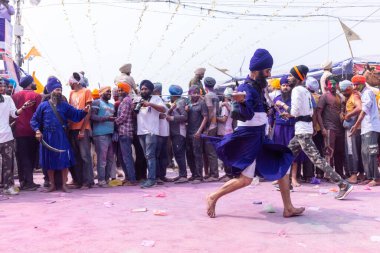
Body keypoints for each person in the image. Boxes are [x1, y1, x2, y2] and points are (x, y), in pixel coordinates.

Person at [206, 49, 302, 218]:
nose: (269, 74)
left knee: (282, 166)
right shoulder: (247, 89)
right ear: (257, 71)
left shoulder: (257, 87)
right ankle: (213, 197)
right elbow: (247, 114)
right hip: (250, 138)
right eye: (267, 71)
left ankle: (288, 208)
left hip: (260, 136)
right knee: (246, 180)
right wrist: (241, 103)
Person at [284, 65, 353, 200]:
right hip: (304, 129)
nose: (289, 78)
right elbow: (311, 111)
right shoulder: (305, 91)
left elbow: (295, 112)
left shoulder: (297, 90)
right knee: (287, 155)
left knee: (317, 160)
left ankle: (343, 184)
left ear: (297, 77)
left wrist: (284, 107)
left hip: (302, 130)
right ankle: (284, 182)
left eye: (291, 75)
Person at [30, 77, 89, 193]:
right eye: (57, 89)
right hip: (47, 137)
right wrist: (37, 130)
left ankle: (64, 185)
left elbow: (76, 115)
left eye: (60, 89)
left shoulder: (64, 105)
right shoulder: (43, 105)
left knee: (64, 160)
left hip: (61, 136)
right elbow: (34, 120)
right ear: (51, 90)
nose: (59, 92)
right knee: (49, 162)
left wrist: (84, 111)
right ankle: (52, 185)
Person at [0, 79, 34, 195]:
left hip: (7, 137)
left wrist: (23, 107)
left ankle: (8, 186)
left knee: (8, 164)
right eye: (1, 86)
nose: (3, 88)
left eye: (4, 86)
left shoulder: (8, 99)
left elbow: (14, 114)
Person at [12, 75, 42, 191]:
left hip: (18, 131)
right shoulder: (36, 96)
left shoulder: (15, 96)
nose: (35, 83)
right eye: (33, 82)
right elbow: (38, 115)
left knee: (21, 157)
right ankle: (29, 183)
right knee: (30, 157)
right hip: (31, 131)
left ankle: (23, 181)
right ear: (30, 83)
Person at [350, 75, 380, 187]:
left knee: (371, 153)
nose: (355, 86)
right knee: (364, 153)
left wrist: (356, 124)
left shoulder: (368, 93)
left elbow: (364, 111)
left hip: (371, 127)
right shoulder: (364, 93)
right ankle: (369, 176)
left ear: (362, 83)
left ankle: (376, 178)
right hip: (366, 128)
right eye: (354, 84)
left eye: (356, 84)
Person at [136, 80, 166, 188]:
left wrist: (149, 104)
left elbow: (163, 109)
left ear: (151, 90)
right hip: (141, 131)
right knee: (147, 156)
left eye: (145, 89)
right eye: (142, 89)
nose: (143, 91)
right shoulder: (139, 99)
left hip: (151, 131)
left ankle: (152, 179)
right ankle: (152, 178)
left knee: (150, 156)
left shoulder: (156, 99)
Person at [68, 72, 94, 189]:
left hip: (83, 128)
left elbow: (88, 111)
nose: (70, 83)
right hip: (73, 128)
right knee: (76, 156)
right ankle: (79, 180)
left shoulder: (86, 91)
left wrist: (82, 130)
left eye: (71, 82)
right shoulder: (71, 93)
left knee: (85, 156)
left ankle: (88, 182)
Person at [317, 75, 346, 178]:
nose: (332, 86)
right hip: (329, 127)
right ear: (327, 86)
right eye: (330, 84)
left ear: (337, 85)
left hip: (340, 128)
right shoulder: (324, 96)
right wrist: (323, 128)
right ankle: (329, 174)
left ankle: (339, 173)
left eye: (334, 84)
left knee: (339, 151)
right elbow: (318, 113)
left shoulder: (340, 97)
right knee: (329, 151)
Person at [340, 80, 364, 184]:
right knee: (357, 151)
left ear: (348, 88)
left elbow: (359, 108)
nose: (343, 93)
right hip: (356, 128)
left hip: (352, 129)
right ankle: (361, 174)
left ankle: (354, 175)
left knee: (352, 152)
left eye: (344, 91)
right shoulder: (351, 96)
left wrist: (348, 115)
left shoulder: (354, 96)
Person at [91, 86, 115, 187]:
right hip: (100, 134)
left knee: (110, 159)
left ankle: (106, 179)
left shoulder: (112, 105)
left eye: (110, 91)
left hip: (111, 134)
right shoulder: (97, 102)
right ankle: (101, 180)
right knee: (102, 159)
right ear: (101, 93)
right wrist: (106, 118)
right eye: (107, 91)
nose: (109, 93)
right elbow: (92, 116)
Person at [115, 82, 137, 186]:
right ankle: (128, 177)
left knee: (127, 157)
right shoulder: (124, 100)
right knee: (123, 157)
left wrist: (113, 121)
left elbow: (123, 117)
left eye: (121, 90)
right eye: (118, 90)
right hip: (123, 132)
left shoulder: (126, 101)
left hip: (125, 132)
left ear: (126, 90)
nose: (119, 92)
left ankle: (132, 180)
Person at [186, 85, 208, 184]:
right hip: (188, 132)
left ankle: (199, 176)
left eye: (196, 93)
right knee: (189, 154)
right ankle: (194, 174)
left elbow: (205, 117)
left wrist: (199, 131)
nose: (195, 95)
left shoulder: (202, 103)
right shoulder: (189, 104)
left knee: (197, 154)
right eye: (192, 93)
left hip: (196, 133)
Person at [166, 85, 188, 183]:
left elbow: (184, 116)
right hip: (175, 132)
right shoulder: (176, 102)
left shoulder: (180, 102)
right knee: (177, 154)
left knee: (179, 154)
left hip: (179, 132)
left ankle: (183, 175)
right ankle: (181, 174)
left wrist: (172, 118)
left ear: (173, 95)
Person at [153, 83, 171, 184]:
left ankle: (162, 175)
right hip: (158, 132)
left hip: (164, 132)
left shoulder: (161, 100)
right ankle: (157, 176)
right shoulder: (154, 100)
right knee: (158, 156)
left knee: (164, 156)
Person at [203, 77, 220, 182]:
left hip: (211, 125)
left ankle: (214, 174)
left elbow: (210, 111)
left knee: (210, 151)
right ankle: (211, 173)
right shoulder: (216, 96)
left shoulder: (208, 95)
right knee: (211, 150)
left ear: (205, 86)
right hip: (216, 124)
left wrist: (207, 126)